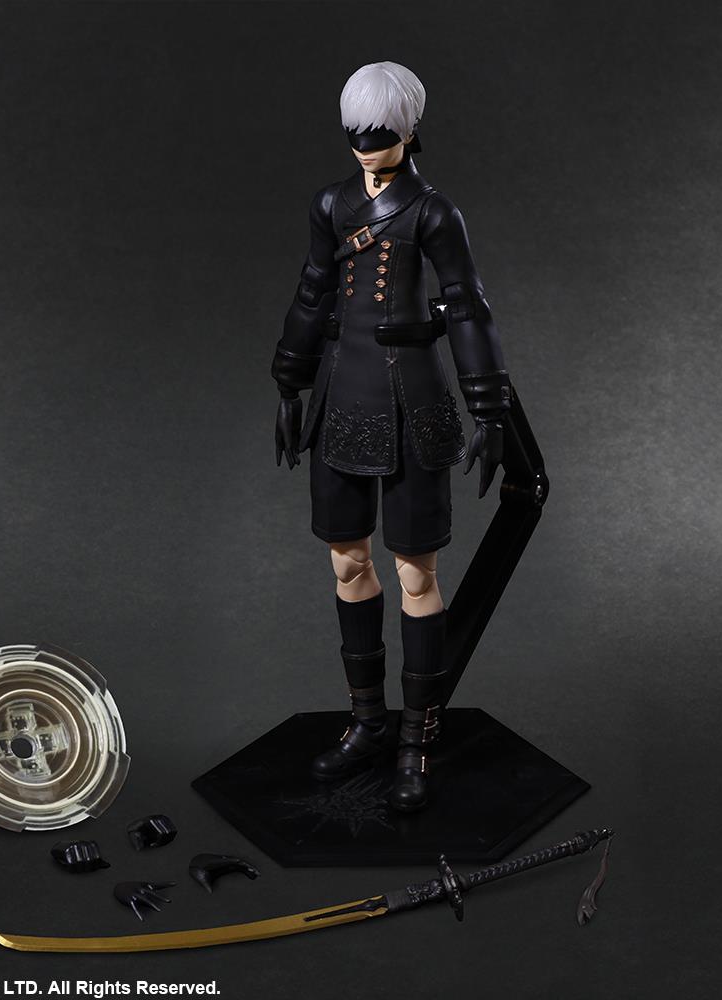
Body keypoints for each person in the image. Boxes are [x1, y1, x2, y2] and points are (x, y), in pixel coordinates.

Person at [270, 61, 511, 812]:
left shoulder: (433, 212)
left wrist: (489, 407)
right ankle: (369, 720)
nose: (367, 148)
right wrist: (289, 382)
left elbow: (466, 305)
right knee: (347, 562)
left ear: (408, 132)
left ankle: (417, 735)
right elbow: (313, 290)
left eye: (379, 135)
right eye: (356, 135)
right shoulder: (331, 203)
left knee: (415, 572)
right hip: (342, 392)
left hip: (411, 398)